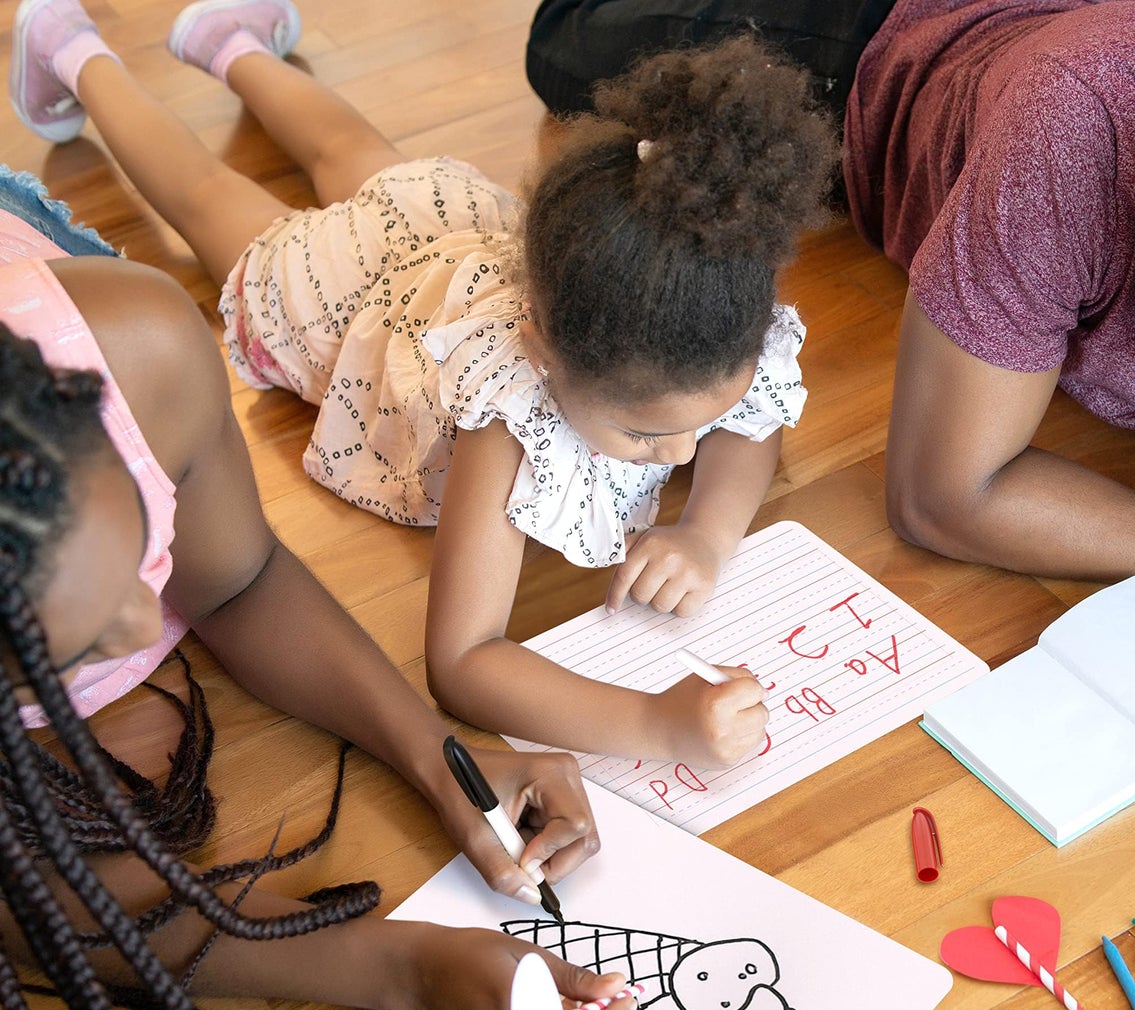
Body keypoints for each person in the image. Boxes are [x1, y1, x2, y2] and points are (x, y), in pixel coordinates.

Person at [0, 172, 635, 1010]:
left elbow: (234, 578)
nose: (156, 625)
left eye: (136, 551)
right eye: (79, 636)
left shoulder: (130, 338)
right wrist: (399, 964)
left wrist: (440, 752)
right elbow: (34, 918)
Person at [11, 0, 837, 769]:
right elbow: (462, 662)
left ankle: (232, 44)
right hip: (347, 305)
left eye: (706, 417)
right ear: (538, 353)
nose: (688, 449)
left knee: (352, 154)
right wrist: (654, 725)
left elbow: (751, 424)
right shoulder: (506, 418)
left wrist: (706, 533)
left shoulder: (678, 313)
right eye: (647, 436)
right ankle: (76, 53)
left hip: (446, 224)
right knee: (209, 199)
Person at [524, 0, 1135, 648]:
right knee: (561, 41)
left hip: (1082, 26)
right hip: (880, 41)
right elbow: (940, 497)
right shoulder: (1075, 125)